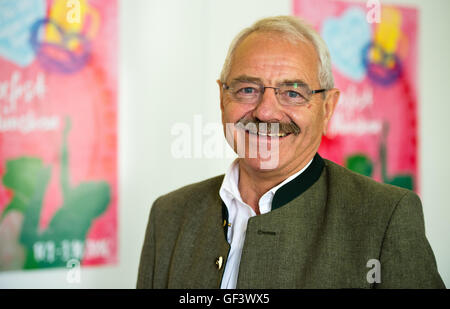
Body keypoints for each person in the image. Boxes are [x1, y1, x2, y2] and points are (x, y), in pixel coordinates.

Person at [137, 15, 445, 289]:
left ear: (328, 108)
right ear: (222, 97)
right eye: (247, 89)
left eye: (293, 93)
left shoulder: (384, 218)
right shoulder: (169, 215)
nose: (266, 113)